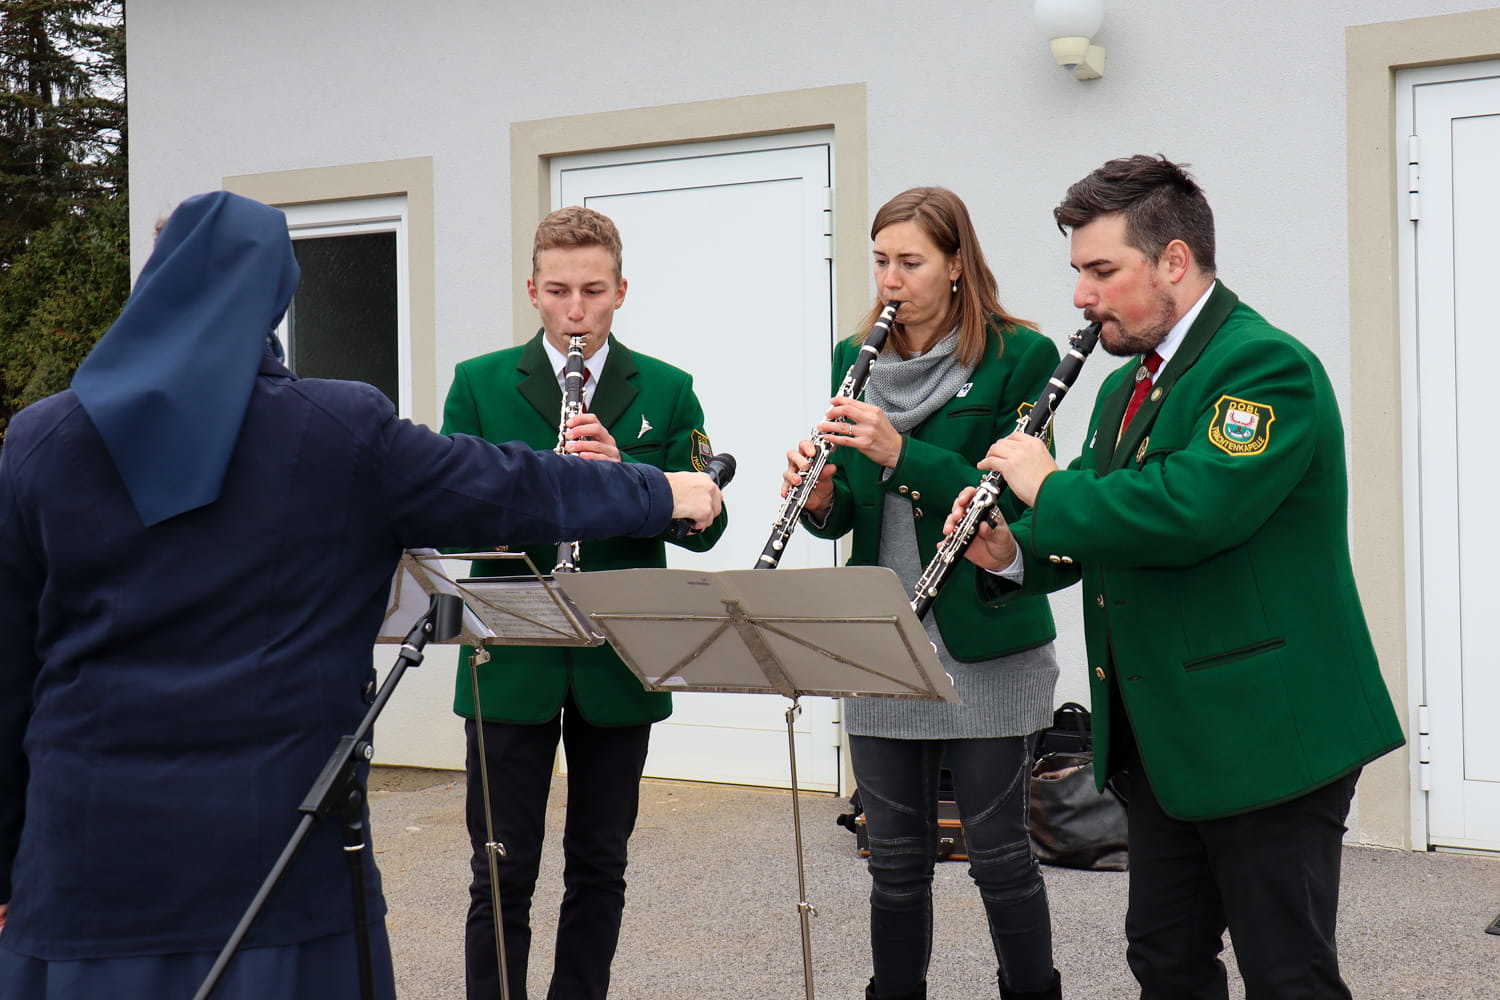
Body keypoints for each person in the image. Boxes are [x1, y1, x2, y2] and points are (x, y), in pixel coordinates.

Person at [0, 191, 721, 999]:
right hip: (281, 846)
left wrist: (5, 864)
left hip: (86, 855)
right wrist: (661, 491)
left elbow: (9, 673)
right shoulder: (339, 430)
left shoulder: (39, 440)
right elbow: (508, 486)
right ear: (275, 296)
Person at [951, 155, 1405, 999]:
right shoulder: (1129, 385)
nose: (1081, 296)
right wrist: (1008, 550)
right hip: (1167, 737)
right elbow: (1106, 522)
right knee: (1164, 957)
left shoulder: (1263, 367)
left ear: (1173, 261)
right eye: (1078, 272)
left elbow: (1192, 510)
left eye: (1102, 271)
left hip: (1266, 734)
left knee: (1288, 972)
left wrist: (1046, 486)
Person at [440, 205, 728, 1000]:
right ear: (532, 290)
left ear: (621, 291)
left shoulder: (666, 388)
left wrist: (630, 480)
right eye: (560, 291)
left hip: (618, 658)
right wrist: (549, 481)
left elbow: (707, 523)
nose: (576, 311)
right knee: (500, 867)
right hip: (511, 656)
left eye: (594, 291)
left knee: (600, 865)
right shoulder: (479, 383)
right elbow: (450, 513)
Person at [784, 187, 1063, 1000]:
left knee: (1001, 858)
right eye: (880, 261)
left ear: (956, 265)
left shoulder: (1021, 356)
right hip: (882, 638)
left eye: (911, 261)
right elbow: (851, 515)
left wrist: (902, 455)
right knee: (896, 864)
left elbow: (1014, 499)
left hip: (984, 639)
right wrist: (822, 497)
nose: (891, 280)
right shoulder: (855, 355)